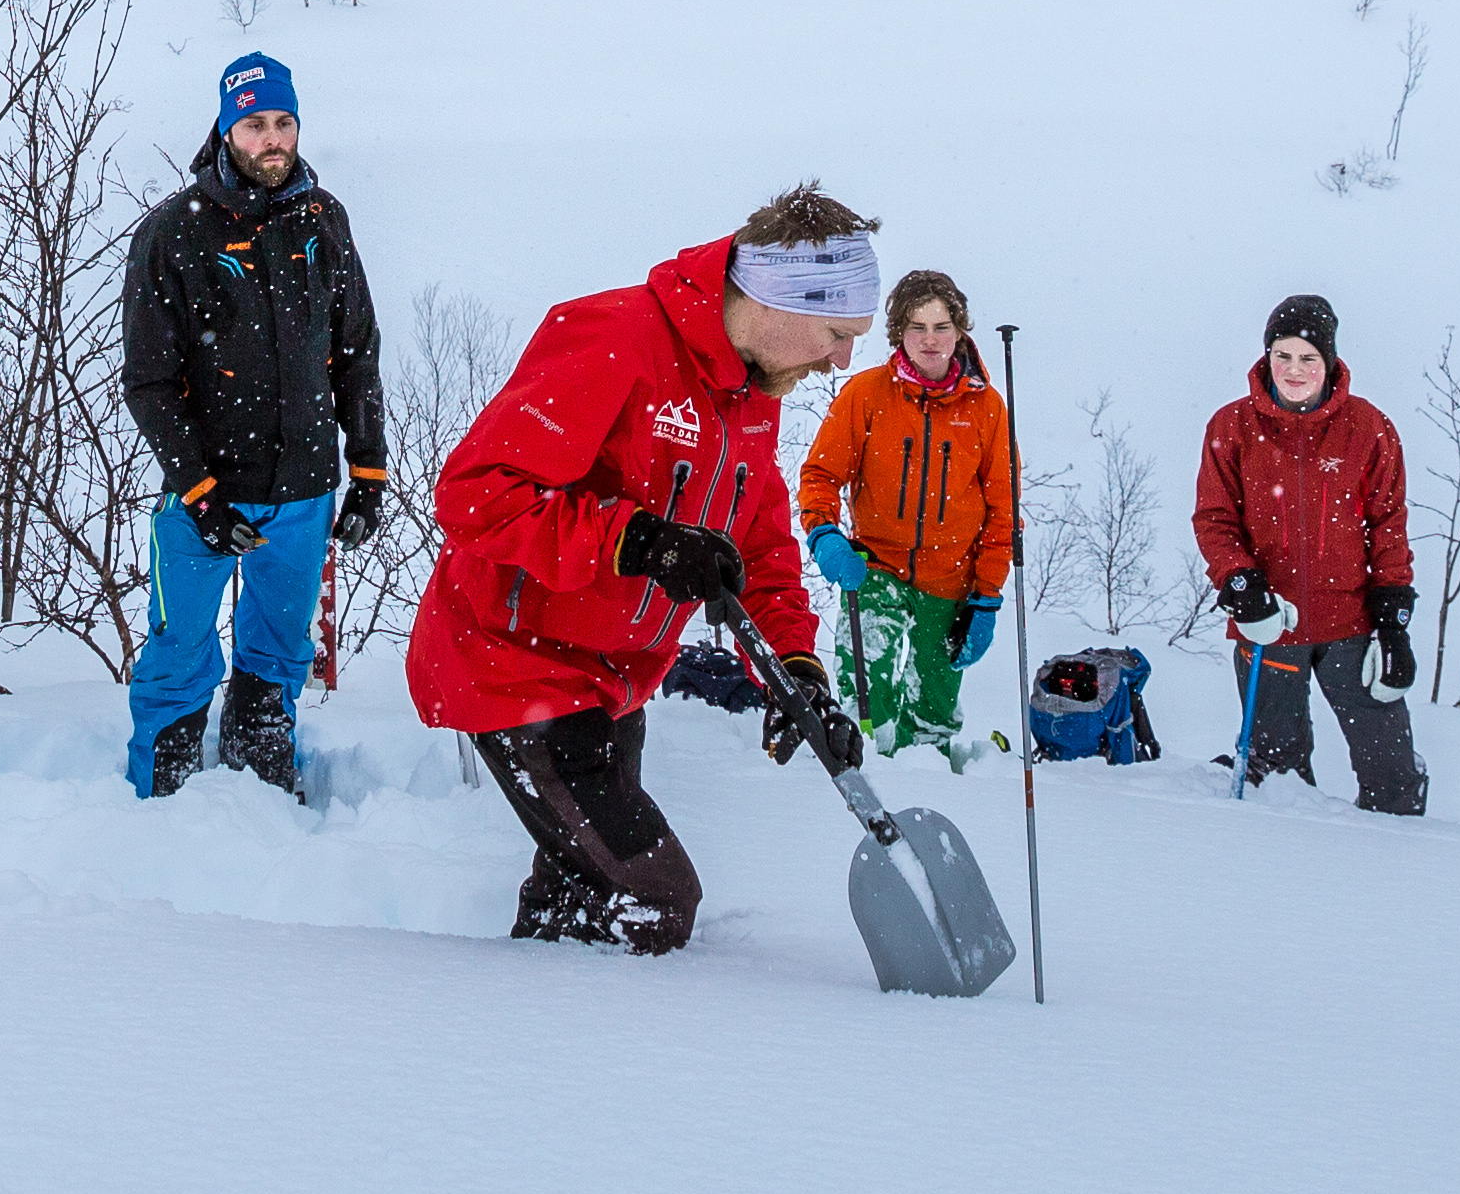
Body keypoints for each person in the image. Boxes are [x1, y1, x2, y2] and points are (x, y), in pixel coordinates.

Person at [407, 184, 879, 950]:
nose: (842, 360)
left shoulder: (753, 394)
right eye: (835, 332)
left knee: (582, 883)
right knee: (650, 895)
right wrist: (641, 543)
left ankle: (525, 1046)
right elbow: (476, 496)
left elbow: (756, 551)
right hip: (511, 661)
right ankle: (603, 1051)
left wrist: (797, 671)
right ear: (774, 301)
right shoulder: (617, 337)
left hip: (613, 678)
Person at [116, 49, 388, 798]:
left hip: (302, 492)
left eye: (284, 122)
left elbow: (357, 350)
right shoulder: (173, 231)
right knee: (178, 653)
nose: (272, 138)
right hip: (205, 495)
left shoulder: (323, 219)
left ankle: (264, 792)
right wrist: (200, 492)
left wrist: (368, 470)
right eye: (255, 124)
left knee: (277, 654)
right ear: (227, 128)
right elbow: (148, 382)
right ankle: (156, 798)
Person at [1192, 294, 1424, 816]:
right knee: (1280, 783)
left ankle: (1404, 863)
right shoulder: (1231, 427)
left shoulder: (1369, 428)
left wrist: (1394, 623)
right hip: (1270, 623)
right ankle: (1295, 881)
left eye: (1308, 358)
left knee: (1391, 776)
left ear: (1330, 361)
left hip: (1352, 623)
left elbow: (1389, 525)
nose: (1294, 370)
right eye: (1283, 355)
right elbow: (1215, 518)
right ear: (1267, 356)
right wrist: (1240, 584)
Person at [797, 265, 1014, 767]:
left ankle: (931, 774)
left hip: (951, 580)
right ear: (899, 333)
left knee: (935, 702)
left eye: (942, 327)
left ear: (959, 331)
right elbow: (820, 475)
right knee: (865, 693)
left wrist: (987, 595)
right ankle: (864, 766)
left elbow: (1004, 512)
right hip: (874, 567)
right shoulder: (867, 395)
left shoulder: (987, 411)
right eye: (917, 327)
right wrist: (824, 533)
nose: (930, 340)